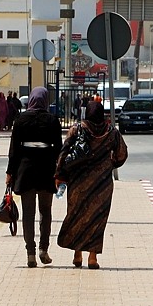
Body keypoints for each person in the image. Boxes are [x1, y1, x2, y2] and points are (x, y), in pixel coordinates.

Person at [54, 100, 128, 269]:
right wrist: (110, 165)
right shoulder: (112, 133)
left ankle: (77, 254)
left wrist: (59, 175)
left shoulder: (76, 129)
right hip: (102, 185)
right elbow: (122, 155)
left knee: (76, 216)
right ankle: (92, 258)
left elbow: (63, 153)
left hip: (78, 183)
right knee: (97, 219)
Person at [5, 87, 62, 268]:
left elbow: (14, 150)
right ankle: (43, 250)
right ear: (45, 100)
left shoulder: (21, 120)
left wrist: (9, 173)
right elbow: (59, 149)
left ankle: (30, 253)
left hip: (25, 171)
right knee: (45, 212)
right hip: (46, 171)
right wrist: (59, 172)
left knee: (28, 214)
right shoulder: (52, 120)